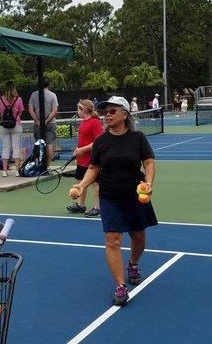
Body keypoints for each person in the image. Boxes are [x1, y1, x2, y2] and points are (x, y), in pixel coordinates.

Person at [71, 96, 157, 306]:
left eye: (112, 111)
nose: (107, 115)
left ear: (125, 114)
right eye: (105, 112)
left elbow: (149, 162)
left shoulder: (137, 138)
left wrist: (148, 182)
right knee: (112, 239)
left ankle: (133, 263)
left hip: (135, 195)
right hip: (109, 196)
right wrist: (81, 185)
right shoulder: (101, 141)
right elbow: (93, 169)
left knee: (138, 236)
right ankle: (120, 285)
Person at [66, 99, 103, 217]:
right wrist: (78, 149)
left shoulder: (95, 122)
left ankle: (97, 207)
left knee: (95, 184)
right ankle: (81, 205)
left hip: (93, 159)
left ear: (84, 110)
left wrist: (83, 150)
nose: (77, 111)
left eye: (78, 109)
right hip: (82, 159)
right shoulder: (83, 122)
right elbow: (83, 139)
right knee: (81, 182)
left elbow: (98, 142)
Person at [28, 79, 58, 169]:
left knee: (38, 143)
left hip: (38, 123)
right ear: (48, 85)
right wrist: (47, 120)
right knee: (49, 144)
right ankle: (47, 166)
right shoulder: (53, 95)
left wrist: (37, 121)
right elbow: (54, 110)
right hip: (51, 123)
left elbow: (30, 109)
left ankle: (39, 165)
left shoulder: (34, 94)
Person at [0, 81, 24, 177]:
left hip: (5, 126)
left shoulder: (1, 99)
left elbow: (0, 112)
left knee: (5, 148)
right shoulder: (19, 99)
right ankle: (17, 171)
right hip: (16, 124)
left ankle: (5, 171)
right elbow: (20, 112)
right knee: (16, 147)